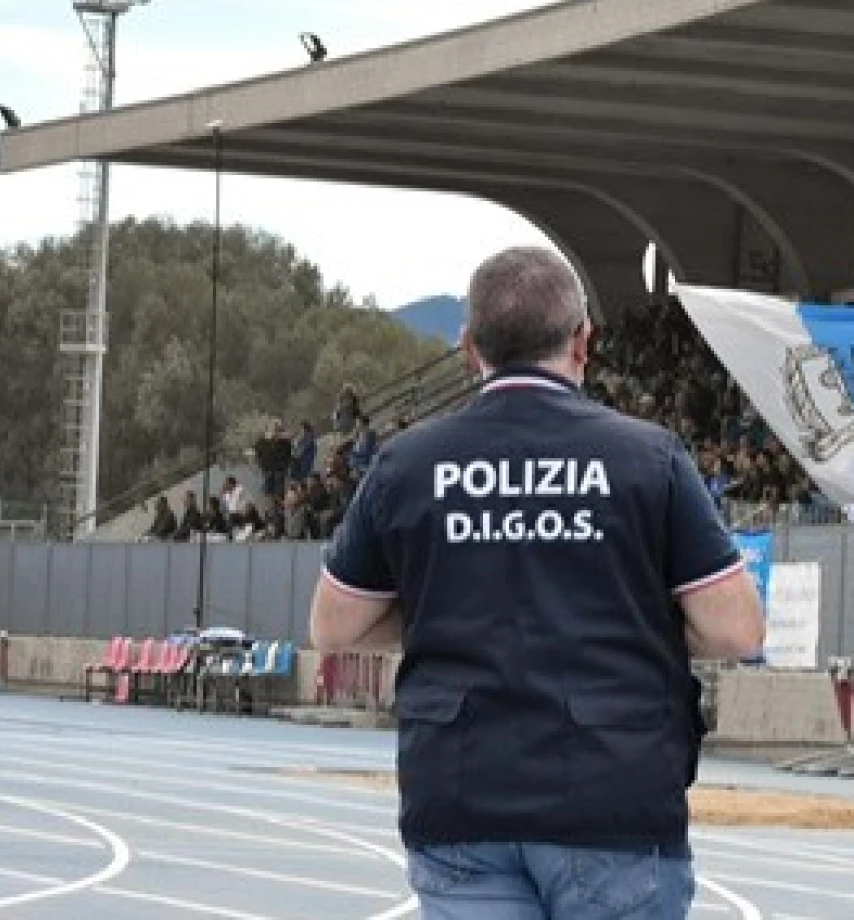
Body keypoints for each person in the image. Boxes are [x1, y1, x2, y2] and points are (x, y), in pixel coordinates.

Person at [308, 245, 764, 920]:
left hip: (462, 792)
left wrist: (446, 610)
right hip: (612, 793)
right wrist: (634, 616)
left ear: (468, 348)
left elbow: (332, 627)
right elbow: (736, 629)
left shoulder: (406, 465)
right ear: (584, 342)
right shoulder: (648, 458)